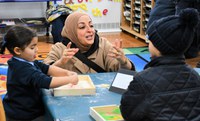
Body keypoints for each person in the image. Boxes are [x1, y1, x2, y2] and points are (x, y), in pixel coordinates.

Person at [120, 8, 200, 121]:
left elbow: (127, 112)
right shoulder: (195, 76)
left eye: (149, 39)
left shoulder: (143, 80)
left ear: (158, 46)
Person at [0, 25, 78, 121]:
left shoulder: (24, 60)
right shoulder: (22, 69)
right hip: (23, 115)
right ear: (18, 50)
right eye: (32, 47)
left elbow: (46, 68)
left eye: (36, 45)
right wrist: (69, 79)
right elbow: (46, 82)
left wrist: (66, 73)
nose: (36, 49)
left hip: (21, 108)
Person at [43, 12, 135, 74]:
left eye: (91, 26)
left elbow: (125, 74)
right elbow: (43, 73)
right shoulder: (59, 49)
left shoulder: (103, 44)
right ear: (71, 32)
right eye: (82, 27)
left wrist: (123, 61)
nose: (90, 30)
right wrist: (60, 62)